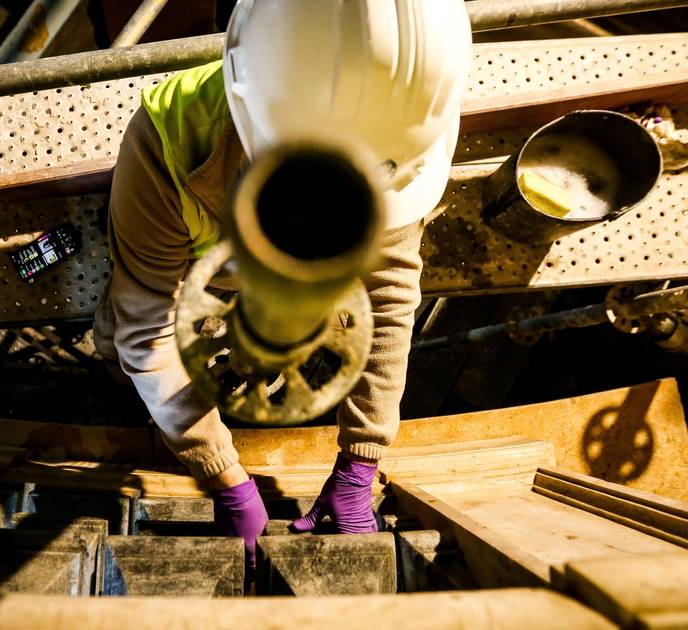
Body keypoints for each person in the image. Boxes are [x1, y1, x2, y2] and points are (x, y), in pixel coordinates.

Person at [93, 0, 472, 564]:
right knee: (118, 348)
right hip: (202, 282)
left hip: (279, 291)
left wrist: (362, 459)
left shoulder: (404, 128)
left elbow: (389, 298)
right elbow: (146, 326)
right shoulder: (172, 141)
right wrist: (218, 469)